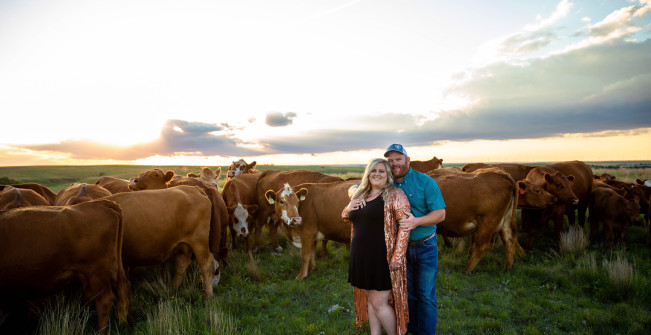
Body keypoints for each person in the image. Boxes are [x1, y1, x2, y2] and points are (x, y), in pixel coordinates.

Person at [342, 158, 412, 335]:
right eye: (373, 170)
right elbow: (345, 217)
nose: (377, 174)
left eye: (382, 171)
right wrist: (349, 207)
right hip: (360, 256)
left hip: (382, 257)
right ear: (368, 173)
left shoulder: (395, 195)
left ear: (388, 175)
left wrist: (397, 257)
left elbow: (405, 228)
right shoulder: (361, 194)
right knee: (371, 301)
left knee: (379, 303)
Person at [384, 143, 446, 335]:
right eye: (390, 160)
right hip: (399, 249)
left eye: (398, 159)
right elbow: (363, 186)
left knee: (425, 295)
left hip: (425, 245)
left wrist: (416, 222)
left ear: (407, 160)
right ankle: (412, 329)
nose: (394, 164)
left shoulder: (425, 182)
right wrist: (355, 195)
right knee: (407, 293)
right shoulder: (386, 183)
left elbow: (440, 214)